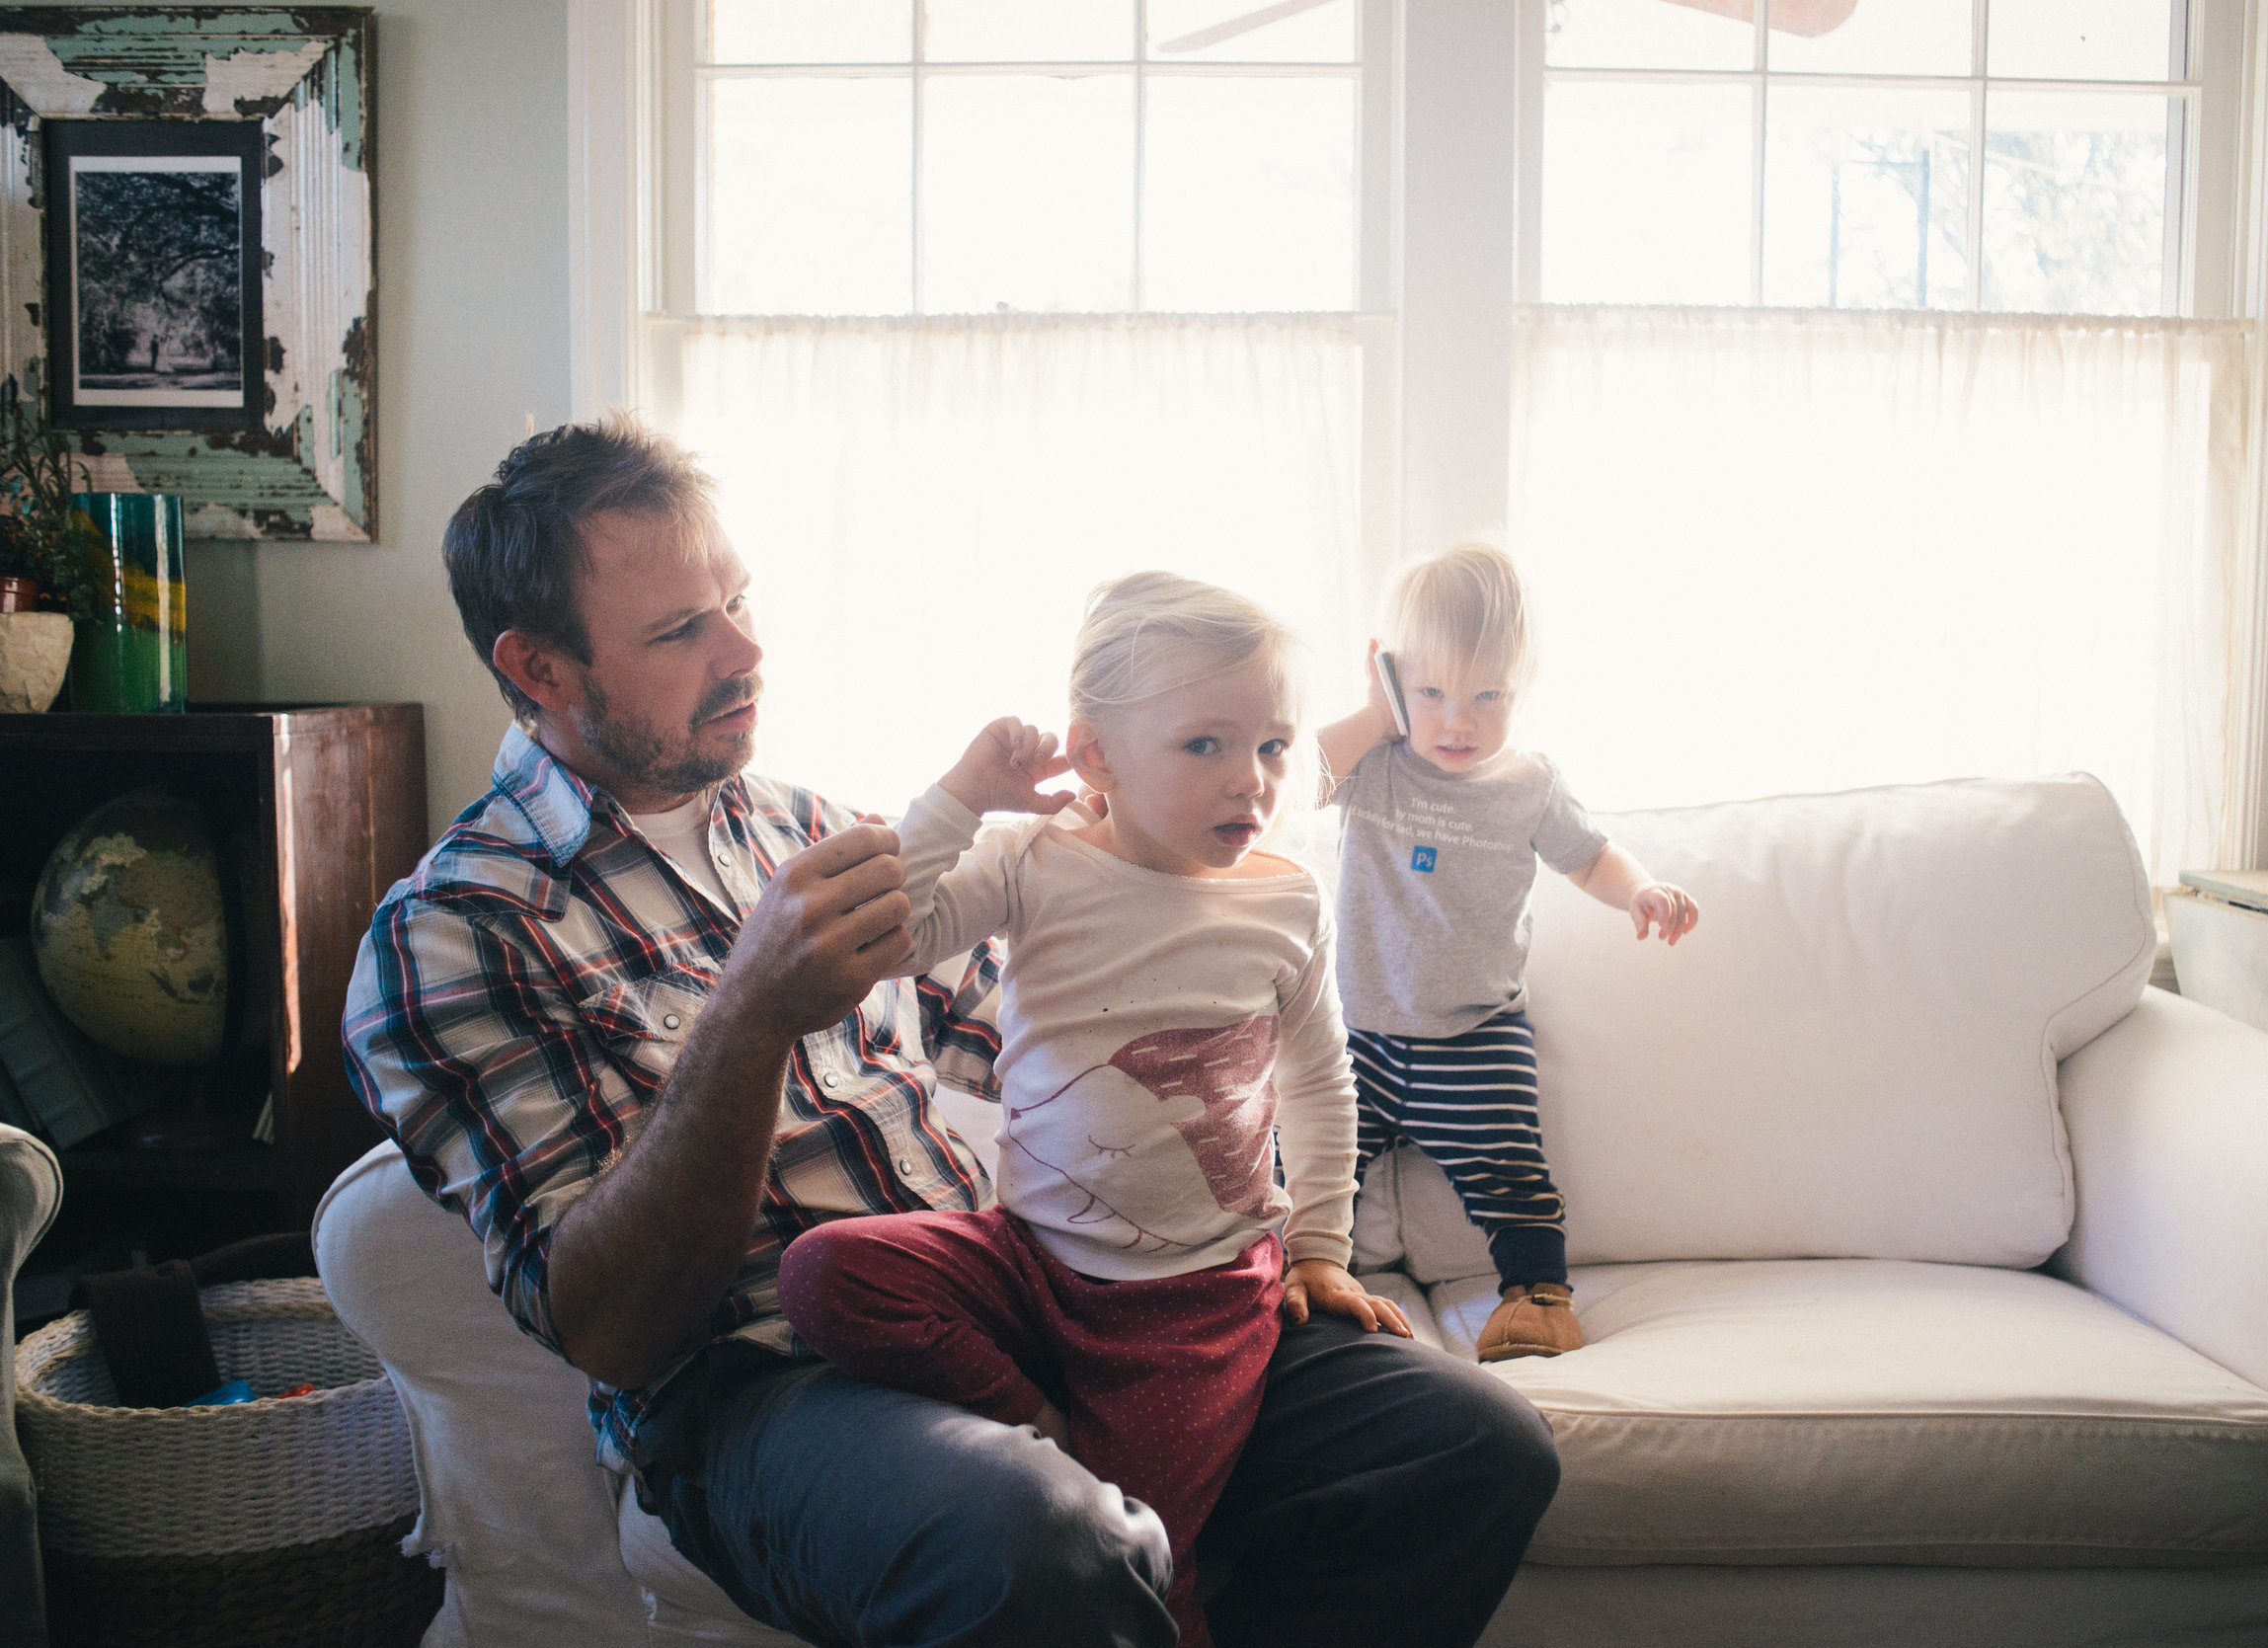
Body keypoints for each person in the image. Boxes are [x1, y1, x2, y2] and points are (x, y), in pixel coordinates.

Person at [343, 418, 1559, 1648]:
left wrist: (1147, 889)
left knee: (1476, 1445)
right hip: (766, 1386)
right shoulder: (459, 930)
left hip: (1019, 1297)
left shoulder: (809, 827)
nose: (747, 648)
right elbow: (610, 1324)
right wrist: (751, 1013)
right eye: (680, 631)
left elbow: (1065, 1038)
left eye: (738, 601)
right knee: (1038, 1536)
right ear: (540, 669)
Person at [777, 574, 1411, 1648]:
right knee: (824, 1273)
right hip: (1026, 1259)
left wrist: (1319, 1248)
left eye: (1270, 746)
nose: (1249, 779)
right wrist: (964, 794)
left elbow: (1317, 1080)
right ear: (1097, 756)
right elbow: (898, 936)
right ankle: (1039, 1423)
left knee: (1137, 1562)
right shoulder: (1032, 859)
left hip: (1192, 1305)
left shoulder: (1285, 899)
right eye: (1203, 744)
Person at [1317, 542, 1700, 1363]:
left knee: (1514, 1171)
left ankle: (1537, 1297)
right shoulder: (1373, 767)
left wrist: (1638, 890)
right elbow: (1286, 780)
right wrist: (1374, 714)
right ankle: (1297, 1282)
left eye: (1488, 694)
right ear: (1389, 679)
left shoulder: (1528, 782)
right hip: (1358, 1034)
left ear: (1520, 687)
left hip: (1477, 1032)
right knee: (1310, 1166)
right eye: (1431, 692)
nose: (1459, 721)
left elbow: (1591, 855)